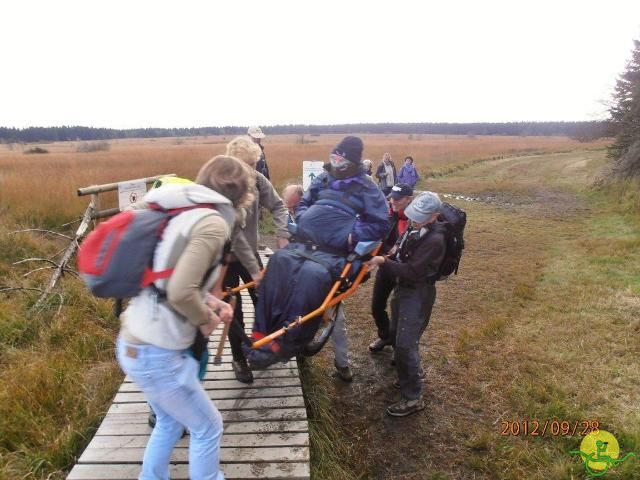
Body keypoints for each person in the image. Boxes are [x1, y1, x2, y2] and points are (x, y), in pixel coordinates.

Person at [116, 155, 254, 479]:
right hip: (159, 353)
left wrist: (209, 301)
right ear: (241, 193)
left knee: (168, 421)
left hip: (133, 342)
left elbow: (167, 280)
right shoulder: (212, 222)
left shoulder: (181, 212)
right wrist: (207, 316)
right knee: (208, 427)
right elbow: (179, 292)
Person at [247, 136, 389, 373]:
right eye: (333, 158)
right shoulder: (324, 178)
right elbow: (305, 202)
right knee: (279, 262)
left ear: (352, 163)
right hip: (305, 243)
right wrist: (303, 217)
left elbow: (381, 222)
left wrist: (352, 235)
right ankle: (262, 332)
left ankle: (287, 342)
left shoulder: (367, 188)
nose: (335, 164)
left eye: (341, 161)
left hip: (334, 253)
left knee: (311, 278)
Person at [366, 191, 446, 417]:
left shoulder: (435, 240)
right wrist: (388, 255)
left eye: (420, 216)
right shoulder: (415, 227)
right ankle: (406, 377)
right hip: (404, 289)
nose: (414, 219)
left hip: (418, 293)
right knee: (398, 335)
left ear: (434, 217)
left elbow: (412, 271)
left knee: (405, 344)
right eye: (413, 215)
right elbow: (400, 250)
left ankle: (413, 397)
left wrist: (383, 262)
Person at [224, 136, 289, 383]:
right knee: (233, 311)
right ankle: (239, 359)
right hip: (223, 260)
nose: (249, 170)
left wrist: (282, 234)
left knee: (264, 300)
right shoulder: (218, 185)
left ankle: (264, 347)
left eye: (252, 164)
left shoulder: (258, 180)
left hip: (249, 255)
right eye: (244, 164)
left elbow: (279, 206)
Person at [368, 183, 414, 353]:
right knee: (376, 306)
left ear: (409, 199)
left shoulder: (416, 221)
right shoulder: (387, 214)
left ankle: (398, 348)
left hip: (405, 271)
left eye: (398, 198)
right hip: (385, 266)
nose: (393, 201)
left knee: (400, 312)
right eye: (391, 197)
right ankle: (385, 336)